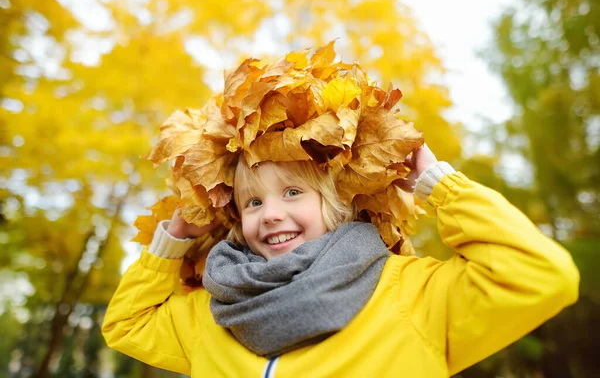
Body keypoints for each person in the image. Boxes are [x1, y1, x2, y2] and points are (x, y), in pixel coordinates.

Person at [102, 143, 580, 377]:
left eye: (293, 193)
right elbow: (127, 324)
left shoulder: (412, 295)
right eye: (253, 203)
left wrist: (440, 185)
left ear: (337, 205)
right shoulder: (213, 311)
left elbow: (542, 275)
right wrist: (174, 240)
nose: (271, 214)